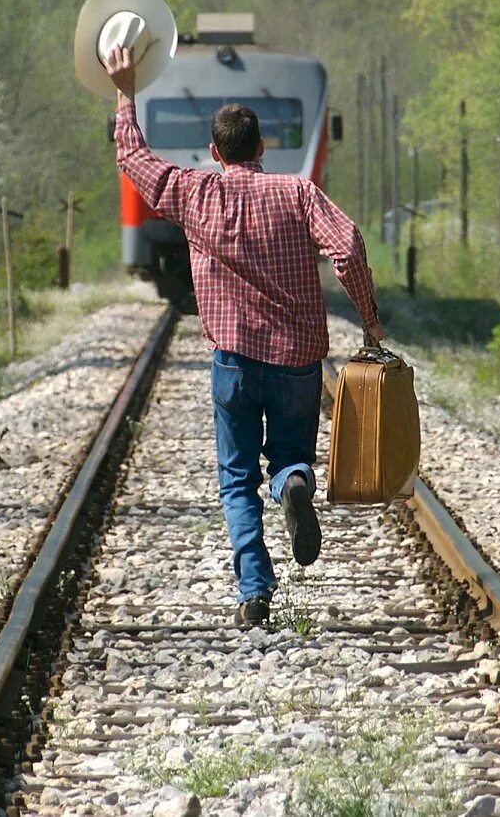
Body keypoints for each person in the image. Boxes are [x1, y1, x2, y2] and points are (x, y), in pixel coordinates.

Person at [100, 40, 385, 627]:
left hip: (232, 360)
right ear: (262, 148)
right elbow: (349, 247)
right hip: (297, 361)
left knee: (236, 482)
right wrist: (370, 321)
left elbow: (132, 157)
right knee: (289, 457)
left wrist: (125, 90)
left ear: (214, 151)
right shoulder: (297, 193)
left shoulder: (195, 192)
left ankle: (255, 593)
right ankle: (296, 484)